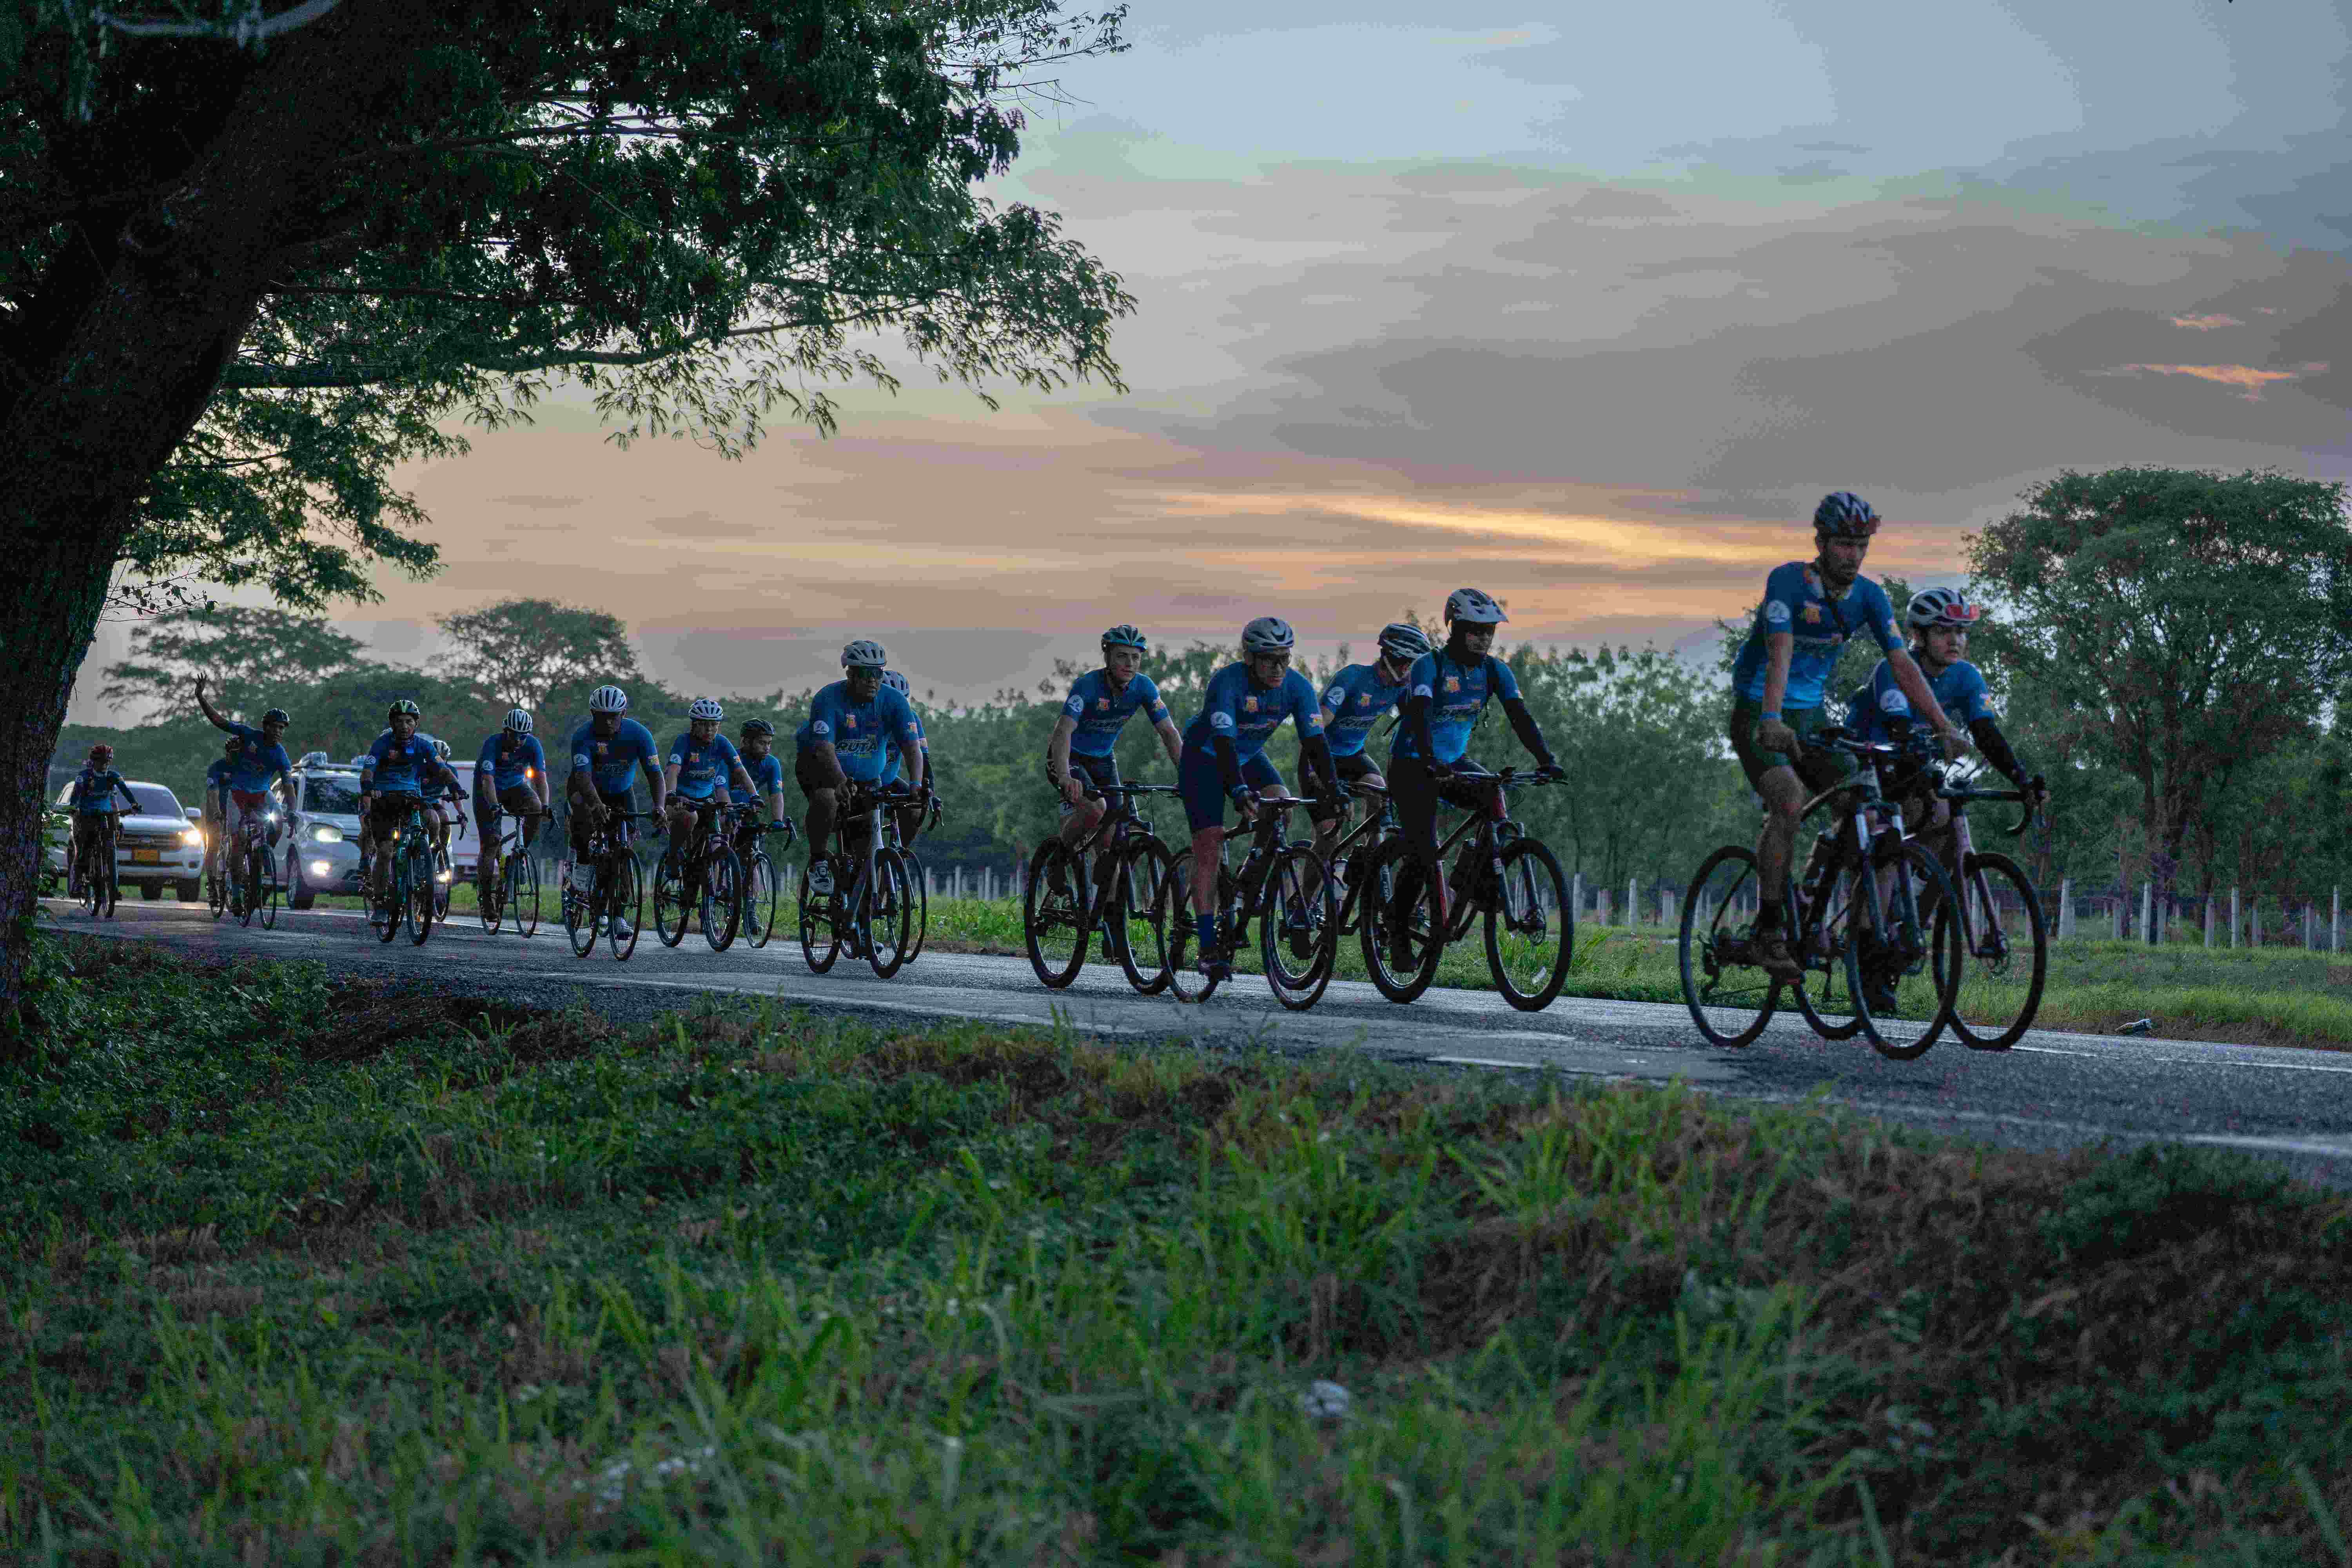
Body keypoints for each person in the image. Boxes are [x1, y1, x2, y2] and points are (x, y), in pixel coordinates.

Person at [1726, 491, 1966, 982]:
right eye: (1843, 544)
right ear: (1820, 542)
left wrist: (1943, 726)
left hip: (1812, 715)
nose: (1853, 555)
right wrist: (1772, 718)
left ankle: (1823, 907)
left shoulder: (1870, 597)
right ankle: (1767, 931)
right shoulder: (1789, 582)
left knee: (1868, 804)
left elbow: (1902, 663)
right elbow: (1781, 653)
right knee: (1789, 800)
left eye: (1861, 545)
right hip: (1759, 708)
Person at [1842, 586, 2051, 1012]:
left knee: (1945, 822)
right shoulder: (1894, 669)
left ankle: (1912, 920)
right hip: (1868, 757)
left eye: (1961, 631)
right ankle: (1871, 956)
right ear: (1918, 635)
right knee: (1888, 846)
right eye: (1943, 631)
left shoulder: (1967, 677)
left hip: (1913, 765)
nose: (1955, 640)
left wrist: (2021, 778)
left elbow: (1986, 733)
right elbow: (1899, 728)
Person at [1175, 616, 1339, 981]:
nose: (1280, 667)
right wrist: (1236, 790)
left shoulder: (1297, 687)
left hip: (1248, 757)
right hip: (1205, 757)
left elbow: (1315, 743)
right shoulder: (1226, 682)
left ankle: (1251, 872)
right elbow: (1224, 743)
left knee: (1281, 805)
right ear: (1249, 657)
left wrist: (1335, 790)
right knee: (1210, 845)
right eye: (1270, 659)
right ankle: (1206, 946)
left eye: (1285, 658)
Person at [1388, 590, 1563, 929]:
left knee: (1493, 800)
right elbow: (1422, 714)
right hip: (1412, 762)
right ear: (1455, 628)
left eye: (1490, 631)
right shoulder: (1430, 665)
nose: (1484, 638)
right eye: (1475, 630)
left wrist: (1546, 759)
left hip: (1453, 761)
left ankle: (1473, 882)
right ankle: (1397, 926)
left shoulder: (1495, 670)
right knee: (1423, 849)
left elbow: (1520, 716)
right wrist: (1429, 760)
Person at [1047, 625, 1184, 880]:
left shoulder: (1144, 687)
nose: (1130, 663)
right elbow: (1063, 732)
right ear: (1108, 657)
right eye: (1122, 656)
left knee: (1110, 848)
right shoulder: (1087, 686)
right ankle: (1059, 855)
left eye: (1135, 657)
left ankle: (1108, 916)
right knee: (1095, 810)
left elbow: (1169, 732)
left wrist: (1187, 774)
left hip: (1103, 760)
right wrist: (1065, 775)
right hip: (1069, 758)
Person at [799, 641, 926, 897]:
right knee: (827, 799)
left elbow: (913, 749)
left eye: (878, 674)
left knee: (865, 856)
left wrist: (916, 784)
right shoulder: (828, 698)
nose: (873, 681)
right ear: (851, 674)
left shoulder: (895, 702)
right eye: (866, 674)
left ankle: (861, 927)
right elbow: (824, 748)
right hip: (823, 769)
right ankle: (819, 860)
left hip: (869, 777)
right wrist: (840, 782)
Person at [1308, 621, 1431, 871]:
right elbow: (1319, 725)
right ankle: (1303, 905)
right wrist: (1318, 773)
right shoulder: (1353, 678)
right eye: (1411, 666)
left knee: (1380, 792)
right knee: (1329, 837)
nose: (1413, 673)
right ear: (1396, 661)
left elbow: (1419, 726)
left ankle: (1373, 864)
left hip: (1354, 755)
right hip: (1321, 756)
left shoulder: (1401, 689)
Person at [563, 684, 666, 941]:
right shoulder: (583, 736)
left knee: (622, 850)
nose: (608, 722)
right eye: (601, 716)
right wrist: (596, 806)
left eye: (613, 716)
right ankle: (582, 865)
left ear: (624, 714)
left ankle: (618, 913)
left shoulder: (640, 735)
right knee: (586, 819)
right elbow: (583, 779)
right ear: (592, 714)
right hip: (585, 788)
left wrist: (659, 806)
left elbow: (655, 775)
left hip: (622, 792)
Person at [357, 700, 463, 907]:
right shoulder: (382, 744)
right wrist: (369, 786)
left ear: (416, 724)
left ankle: (424, 860)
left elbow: (443, 769)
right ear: (392, 723)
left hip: (412, 799)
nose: (404, 726)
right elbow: (367, 771)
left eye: (409, 722)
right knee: (386, 852)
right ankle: (379, 903)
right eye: (399, 722)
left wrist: (455, 787)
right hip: (385, 800)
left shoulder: (423, 746)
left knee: (434, 819)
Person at [192, 678, 296, 886]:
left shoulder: (281, 755)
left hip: (262, 794)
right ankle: (237, 893)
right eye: (276, 727)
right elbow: (220, 722)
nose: (279, 731)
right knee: (238, 843)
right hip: (238, 794)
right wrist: (201, 698)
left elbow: (288, 785)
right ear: (265, 727)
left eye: (283, 728)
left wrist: (292, 812)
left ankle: (263, 852)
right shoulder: (248, 735)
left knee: (278, 825)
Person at [663, 697, 761, 871]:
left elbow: (740, 771)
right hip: (680, 797)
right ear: (694, 725)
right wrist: (670, 793)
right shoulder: (683, 741)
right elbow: (673, 770)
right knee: (689, 817)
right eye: (704, 725)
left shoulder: (722, 743)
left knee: (723, 826)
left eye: (714, 725)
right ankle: (673, 854)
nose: (710, 730)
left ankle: (711, 878)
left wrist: (755, 796)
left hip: (706, 797)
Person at [474, 710, 550, 900]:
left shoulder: (533, 745)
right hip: (488, 790)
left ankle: (518, 857)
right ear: (505, 730)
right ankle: (485, 897)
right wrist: (494, 806)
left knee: (536, 808)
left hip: (515, 787)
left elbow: (541, 779)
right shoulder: (493, 744)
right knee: (491, 842)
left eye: (523, 736)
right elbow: (487, 781)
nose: (518, 740)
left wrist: (546, 805)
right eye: (514, 735)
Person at [66, 743, 139, 901]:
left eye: (107, 762)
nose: (104, 765)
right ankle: (78, 882)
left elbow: (124, 789)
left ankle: (114, 887)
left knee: (111, 849)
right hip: (86, 814)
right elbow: (76, 795)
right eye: (101, 762)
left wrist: (134, 804)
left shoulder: (113, 776)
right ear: (93, 762)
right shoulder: (84, 776)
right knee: (84, 848)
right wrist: (73, 807)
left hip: (106, 813)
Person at [876, 670, 936, 847]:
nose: (897, 710)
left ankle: (898, 856)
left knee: (915, 810)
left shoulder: (912, 719)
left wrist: (929, 792)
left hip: (888, 780)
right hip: (862, 780)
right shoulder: (868, 717)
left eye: (901, 703)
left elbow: (924, 762)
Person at [728, 718, 795, 859]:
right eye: (762, 743)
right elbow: (718, 789)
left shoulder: (771, 763)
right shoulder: (731, 758)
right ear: (746, 742)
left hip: (748, 812)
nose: (767, 748)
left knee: (752, 858)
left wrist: (778, 819)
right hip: (725, 808)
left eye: (769, 743)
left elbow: (776, 794)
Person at [200, 733, 243, 891]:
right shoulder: (216, 768)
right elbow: (213, 792)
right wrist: (218, 813)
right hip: (216, 808)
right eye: (234, 753)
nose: (237, 756)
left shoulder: (245, 768)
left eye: (241, 753)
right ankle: (212, 884)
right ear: (228, 753)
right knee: (214, 844)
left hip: (237, 810)